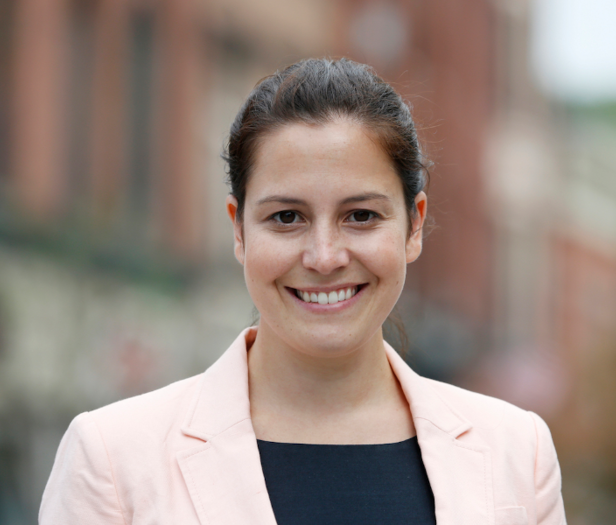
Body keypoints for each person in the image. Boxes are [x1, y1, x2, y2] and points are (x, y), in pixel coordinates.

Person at [40, 58, 566, 525]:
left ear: (414, 226)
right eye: (286, 217)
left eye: (360, 216)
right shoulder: (115, 458)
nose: (324, 256)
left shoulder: (515, 453)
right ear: (239, 230)